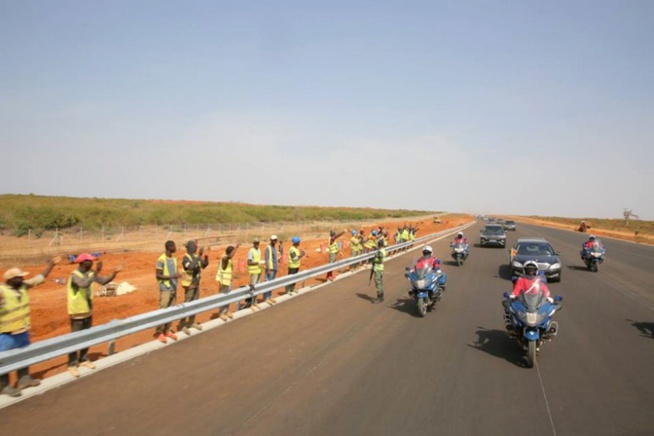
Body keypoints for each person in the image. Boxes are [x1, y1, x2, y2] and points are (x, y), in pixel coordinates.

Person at [0, 257, 60, 397]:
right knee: (4, 361)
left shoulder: (23, 286)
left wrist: (51, 264)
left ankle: (24, 379)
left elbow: (39, 278)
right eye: (19, 278)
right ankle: (4, 386)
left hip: (22, 330)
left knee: (24, 356)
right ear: (11, 279)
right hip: (6, 333)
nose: (22, 279)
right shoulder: (1, 291)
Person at [66, 253, 122, 378]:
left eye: (92, 261)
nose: (92, 263)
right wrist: (96, 272)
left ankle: (83, 359)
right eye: (89, 261)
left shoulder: (91, 273)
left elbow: (104, 281)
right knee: (75, 339)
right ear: (82, 262)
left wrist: (114, 272)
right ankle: (72, 364)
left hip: (88, 310)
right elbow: (84, 284)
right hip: (77, 312)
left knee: (87, 337)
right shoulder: (74, 275)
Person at [178, 240, 209, 335]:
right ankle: (182, 324)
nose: (195, 248)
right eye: (194, 247)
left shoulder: (196, 257)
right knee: (187, 304)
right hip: (189, 285)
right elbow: (190, 267)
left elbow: (203, 265)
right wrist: (198, 257)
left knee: (195, 304)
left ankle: (191, 322)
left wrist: (206, 256)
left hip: (196, 284)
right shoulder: (185, 258)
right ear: (190, 248)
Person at [155, 240, 182, 344]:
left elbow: (174, 271)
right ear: (169, 247)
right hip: (165, 288)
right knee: (163, 310)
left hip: (173, 288)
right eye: (174, 246)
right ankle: (159, 332)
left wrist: (178, 275)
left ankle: (167, 330)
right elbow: (158, 275)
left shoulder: (174, 259)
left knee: (170, 310)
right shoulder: (161, 260)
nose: (176, 247)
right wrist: (173, 276)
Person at [216, 244, 240, 321]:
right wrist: (236, 248)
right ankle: (221, 313)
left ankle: (226, 311)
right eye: (232, 252)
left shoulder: (228, 259)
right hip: (223, 281)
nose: (233, 254)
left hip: (228, 280)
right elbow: (229, 256)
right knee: (223, 297)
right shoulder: (224, 258)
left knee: (228, 297)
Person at [242, 238, 263, 310]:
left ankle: (255, 302)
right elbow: (249, 262)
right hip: (254, 272)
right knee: (253, 288)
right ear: (253, 243)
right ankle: (251, 302)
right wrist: (257, 263)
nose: (257, 244)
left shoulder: (259, 250)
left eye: (258, 243)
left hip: (259, 270)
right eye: (255, 243)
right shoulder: (251, 251)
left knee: (257, 287)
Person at [263, 235, 279, 304]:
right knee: (268, 282)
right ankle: (266, 297)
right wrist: (268, 268)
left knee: (271, 283)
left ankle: (269, 296)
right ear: (270, 240)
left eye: (275, 240)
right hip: (270, 268)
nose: (274, 241)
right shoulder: (268, 248)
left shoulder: (274, 248)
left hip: (275, 267)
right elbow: (266, 259)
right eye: (273, 240)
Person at [372, 239, 387, 304]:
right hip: (380, 268)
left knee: (378, 283)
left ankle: (379, 297)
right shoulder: (383, 250)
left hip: (378, 268)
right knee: (380, 282)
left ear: (379, 244)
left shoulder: (380, 252)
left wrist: (374, 260)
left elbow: (380, 260)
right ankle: (382, 296)